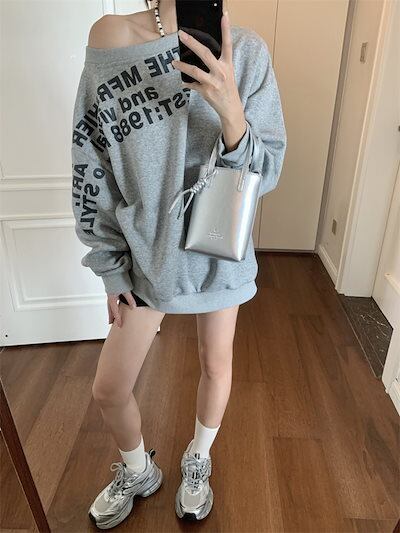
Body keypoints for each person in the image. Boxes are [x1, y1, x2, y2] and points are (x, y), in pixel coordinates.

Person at [70, 0, 286, 528]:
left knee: (216, 365)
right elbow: (91, 160)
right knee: (109, 387)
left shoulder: (247, 53)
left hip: (218, 252)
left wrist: (231, 111)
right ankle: (138, 470)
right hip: (148, 256)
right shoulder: (110, 37)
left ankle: (198, 459)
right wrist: (109, 264)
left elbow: (267, 171)